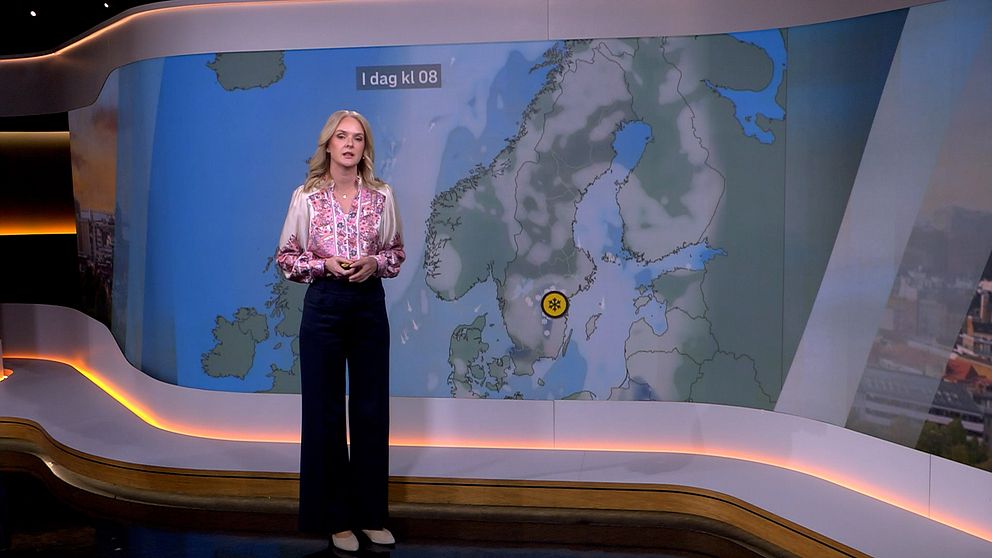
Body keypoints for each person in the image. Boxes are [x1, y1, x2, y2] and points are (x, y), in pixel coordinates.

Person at [276, 110, 405, 552]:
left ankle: (370, 515)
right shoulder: (306, 198)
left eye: (357, 138)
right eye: (341, 136)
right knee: (324, 412)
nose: (349, 144)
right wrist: (323, 265)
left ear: (365, 147)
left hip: (368, 305)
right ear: (328, 144)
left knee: (370, 409)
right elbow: (286, 258)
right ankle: (336, 519)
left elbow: (396, 253)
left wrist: (374, 263)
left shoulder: (382, 196)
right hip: (325, 307)